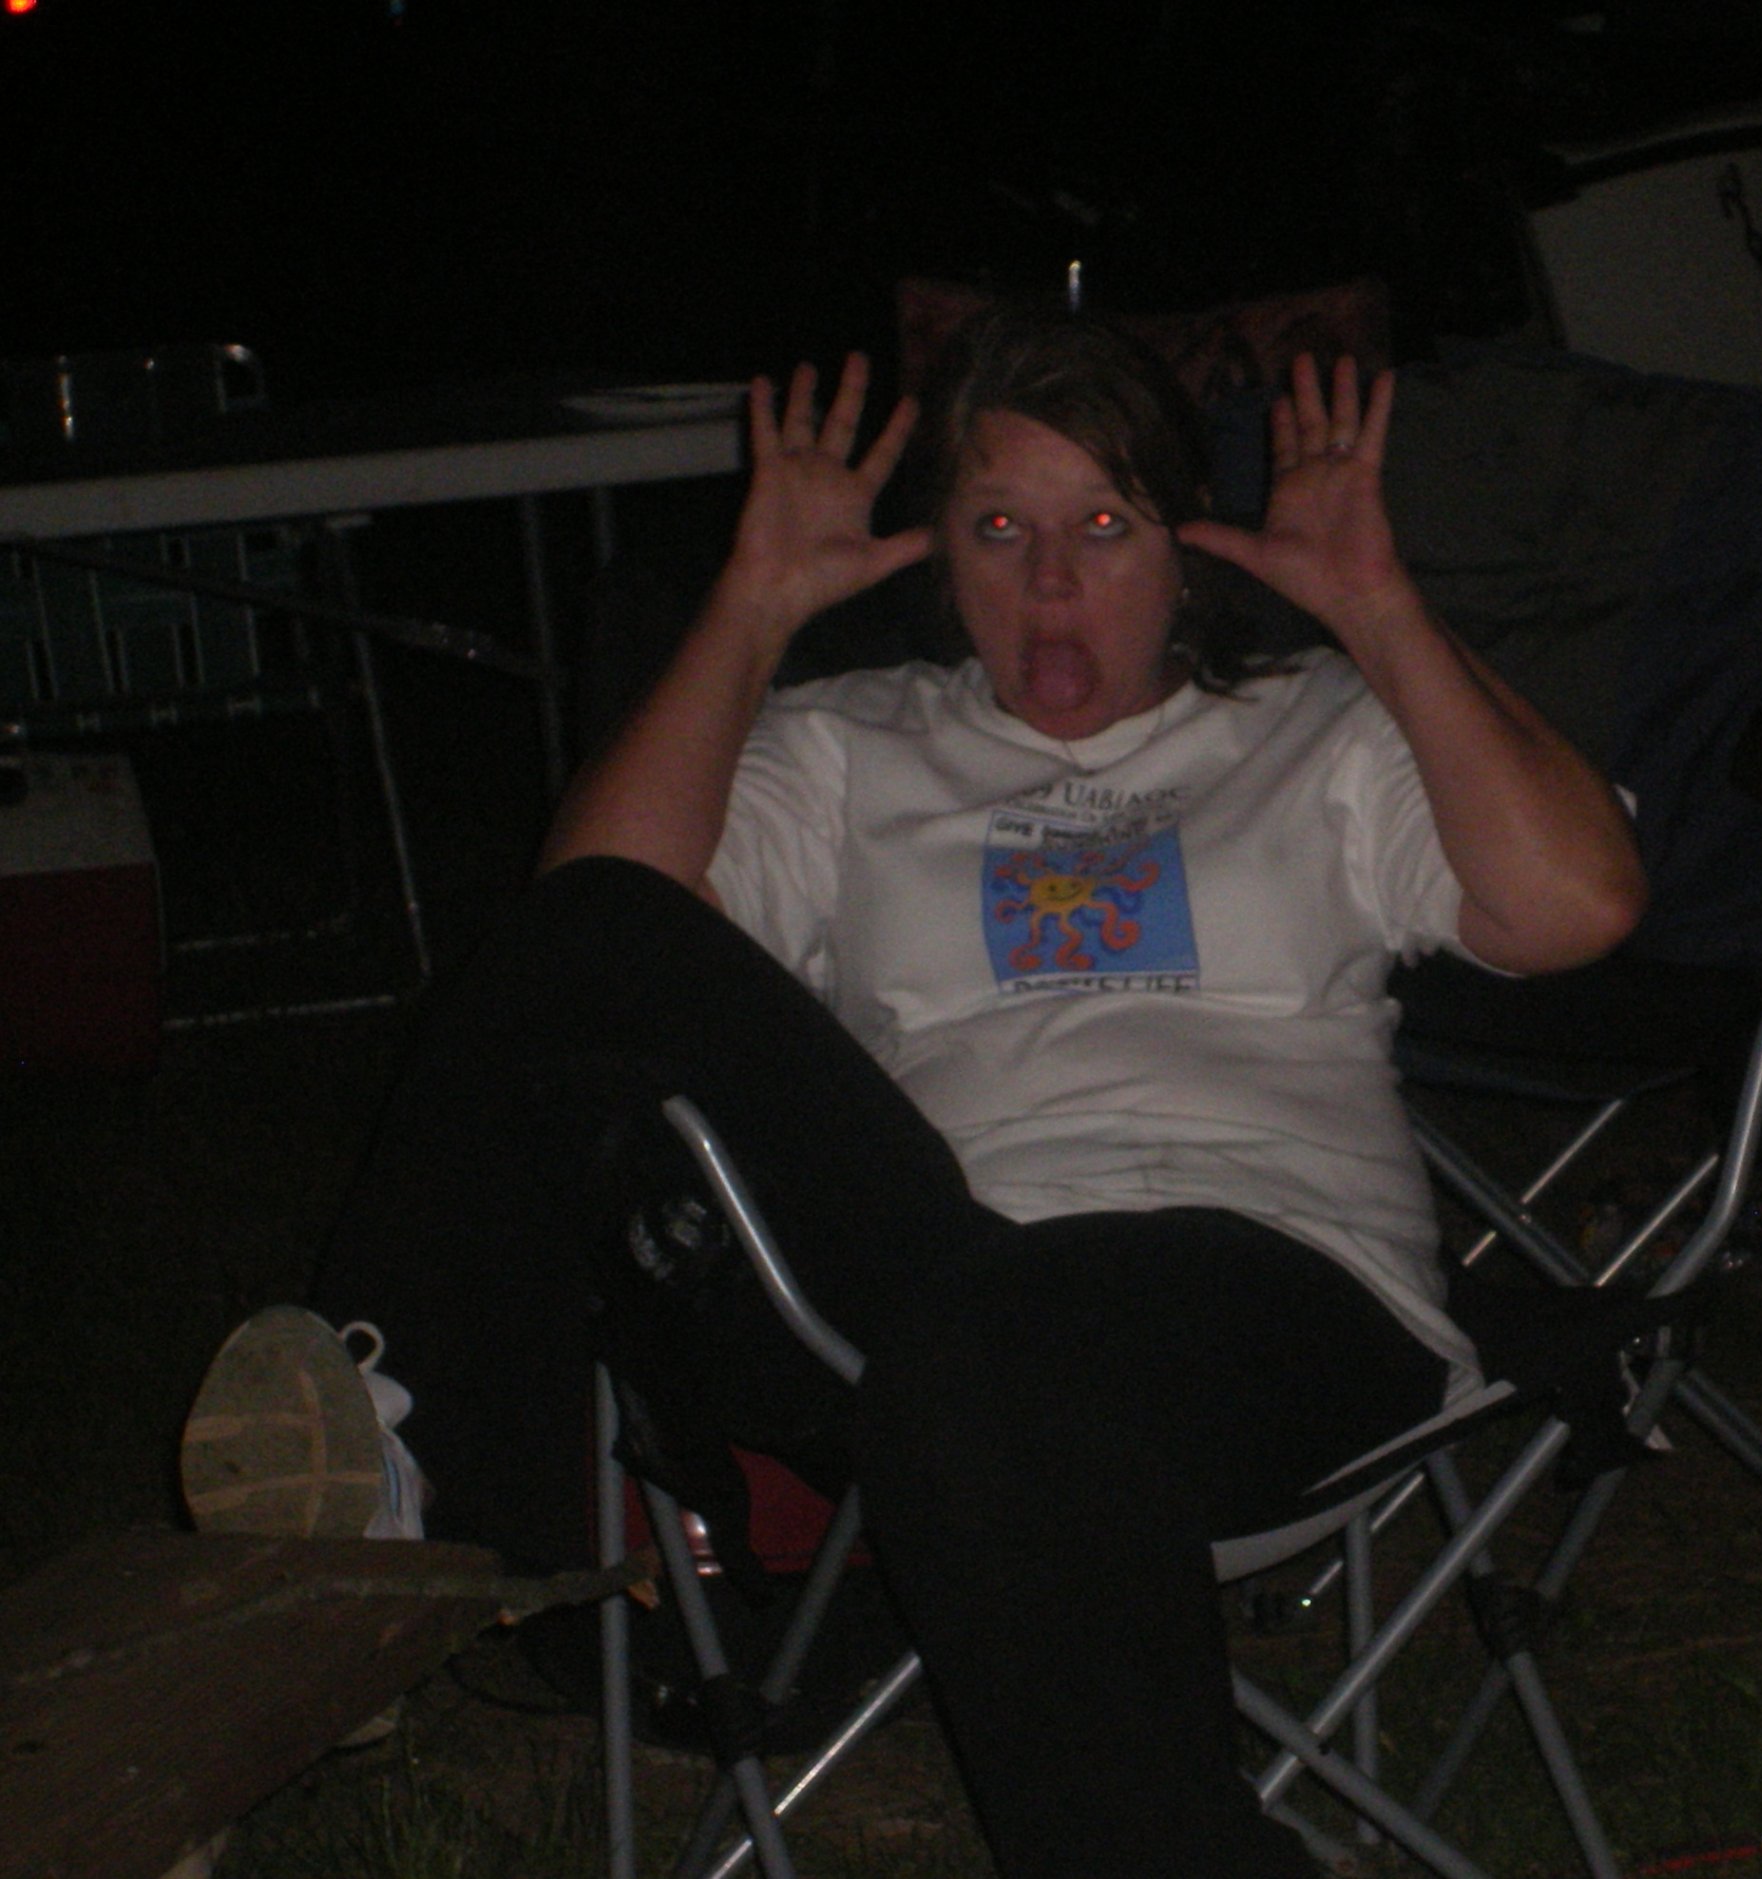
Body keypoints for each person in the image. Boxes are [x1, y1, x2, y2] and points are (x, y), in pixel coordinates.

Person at [182, 308, 1645, 1879]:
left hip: (1280, 1293)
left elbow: (1578, 904)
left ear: (1187, 545)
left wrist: (1378, 608)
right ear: (940, 552)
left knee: (996, 1358)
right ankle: (398, 1439)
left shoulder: (1313, 726)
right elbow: (591, 942)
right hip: (933, 1270)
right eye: (999, 528)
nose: (1052, 584)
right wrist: (753, 608)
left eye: (1105, 525)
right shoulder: (848, 745)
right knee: (612, 931)